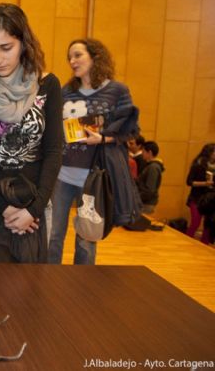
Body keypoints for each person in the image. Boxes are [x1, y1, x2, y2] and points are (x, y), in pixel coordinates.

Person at [0, 3, 63, 263]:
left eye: (7, 48)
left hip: (34, 209)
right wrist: (4, 207)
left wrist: (34, 209)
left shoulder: (48, 84)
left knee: (30, 295)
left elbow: (53, 150)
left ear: (23, 43)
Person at [48, 38, 140, 265]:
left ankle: (83, 285)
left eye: (78, 55)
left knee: (87, 238)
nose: (72, 61)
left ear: (95, 56)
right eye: (70, 57)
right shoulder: (67, 91)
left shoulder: (117, 90)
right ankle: (46, 279)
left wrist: (103, 139)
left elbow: (131, 130)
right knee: (53, 234)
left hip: (93, 177)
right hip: (62, 174)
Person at [185, 143, 215, 244]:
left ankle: (204, 245)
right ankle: (186, 241)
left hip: (211, 198)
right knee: (195, 222)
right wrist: (205, 183)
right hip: (197, 197)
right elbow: (189, 182)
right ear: (209, 153)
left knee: (208, 224)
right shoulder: (198, 165)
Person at [137, 141, 164, 214]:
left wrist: (136, 198)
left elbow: (149, 190)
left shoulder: (153, 168)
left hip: (146, 203)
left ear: (150, 152)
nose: (142, 153)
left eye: (143, 151)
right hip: (144, 202)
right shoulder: (150, 166)